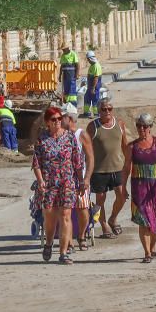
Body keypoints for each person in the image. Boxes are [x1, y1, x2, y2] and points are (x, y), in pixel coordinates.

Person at [33, 106, 83, 264]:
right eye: (54, 119)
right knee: (50, 216)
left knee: (66, 216)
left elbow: (77, 160)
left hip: (67, 182)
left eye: (60, 119)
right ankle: (48, 243)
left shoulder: (69, 137)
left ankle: (63, 253)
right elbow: (36, 163)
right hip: (48, 183)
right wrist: (40, 180)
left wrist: (81, 181)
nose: (57, 122)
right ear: (47, 122)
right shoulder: (42, 139)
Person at [122, 112, 156, 263]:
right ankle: (147, 253)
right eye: (139, 126)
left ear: (150, 127)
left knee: (155, 219)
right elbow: (126, 168)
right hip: (139, 188)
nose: (141, 129)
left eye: (145, 126)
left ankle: (153, 248)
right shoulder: (132, 147)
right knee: (144, 220)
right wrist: (123, 187)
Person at [86, 99, 128, 238]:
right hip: (99, 170)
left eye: (110, 108)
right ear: (99, 111)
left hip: (117, 167)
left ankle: (113, 218)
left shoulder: (120, 124)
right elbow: (86, 149)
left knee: (122, 196)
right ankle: (104, 226)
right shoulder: (92, 126)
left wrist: (129, 162)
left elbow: (125, 145)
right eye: (104, 109)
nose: (107, 111)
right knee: (100, 199)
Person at [62, 104, 95, 250]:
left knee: (82, 209)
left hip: (79, 178)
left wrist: (87, 178)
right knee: (65, 210)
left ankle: (81, 235)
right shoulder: (59, 134)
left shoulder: (81, 135)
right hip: (64, 179)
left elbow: (90, 158)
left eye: (62, 117)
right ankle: (68, 240)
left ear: (69, 118)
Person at [82, 50, 102, 117]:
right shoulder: (92, 66)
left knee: (95, 101)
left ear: (91, 58)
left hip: (94, 88)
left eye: (88, 59)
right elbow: (89, 76)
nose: (88, 61)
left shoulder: (96, 66)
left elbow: (96, 78)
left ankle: (96, 114)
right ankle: (87, 113)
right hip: (90, 87)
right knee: (87, 98)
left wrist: (93, 88)